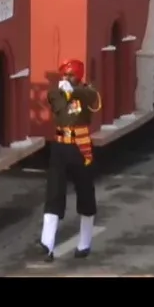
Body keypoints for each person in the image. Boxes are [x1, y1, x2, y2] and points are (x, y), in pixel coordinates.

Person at [38, 59, 101, 262]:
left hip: (81, 148)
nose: (65, 78)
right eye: (64, 75)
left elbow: (92, 98)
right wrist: (67, 92)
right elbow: (59, 106)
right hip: (60, 147)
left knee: (85, 193)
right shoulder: (55, 93)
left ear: (79, 76)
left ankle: (85, 243)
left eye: (70, 75)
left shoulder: (87, 92)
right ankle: (47, 245)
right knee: (54, 192)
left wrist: (74, 91)